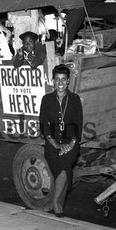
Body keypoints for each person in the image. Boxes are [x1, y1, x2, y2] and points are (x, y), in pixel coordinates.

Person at [39, 64, 83, 217]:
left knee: (64, 163)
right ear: (53, 81)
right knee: (62, 167)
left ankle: (56, 202)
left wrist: (71, 144)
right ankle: (59, 203)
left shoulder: (75, 99)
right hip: (52, 144)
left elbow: (78, 124)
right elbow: (44, 125)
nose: (60, 83)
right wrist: (56, 144)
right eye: (57, 79)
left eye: (63, 79)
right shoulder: (47, 100)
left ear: (68, 81)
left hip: (71, 144)